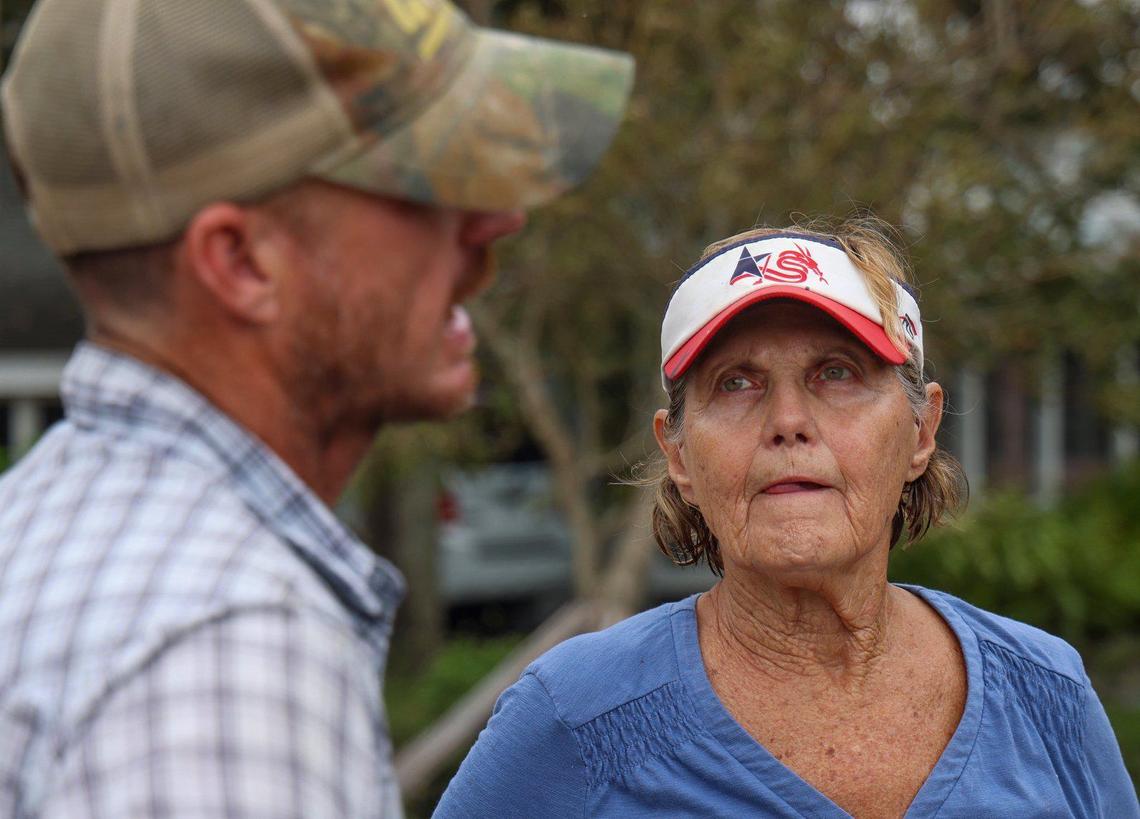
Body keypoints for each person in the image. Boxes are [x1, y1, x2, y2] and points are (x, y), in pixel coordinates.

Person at [0, 0, 632, 816]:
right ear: (241, 262)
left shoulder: (44, 529)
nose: (493, 220)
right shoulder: (226, 649)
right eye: (424, 176)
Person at [435, 221, 1139, 818]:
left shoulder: (1046, 695)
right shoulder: (578, 718)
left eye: (837, 373)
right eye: (736, 383)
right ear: (677, 451)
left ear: (922, 430)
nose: (789, 422)